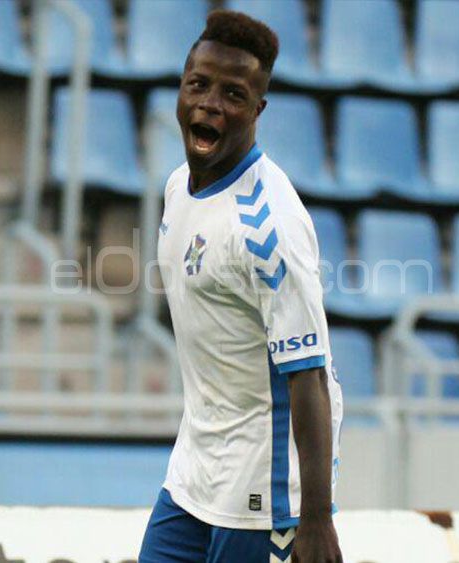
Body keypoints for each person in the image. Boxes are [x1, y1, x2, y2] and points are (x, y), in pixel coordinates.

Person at [139, 10, 344, 563]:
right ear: (180, 89)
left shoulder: (269, 224)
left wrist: (317, 520)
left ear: (258, 110)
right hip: (194, 465)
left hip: (263, 477)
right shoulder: (178, 188)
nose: (208, 103)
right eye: (198, 85)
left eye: (232, 94)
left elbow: (309, 374)